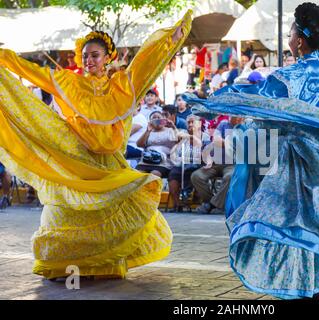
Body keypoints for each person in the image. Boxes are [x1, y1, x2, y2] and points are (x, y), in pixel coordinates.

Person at [186, 2, 319, 299]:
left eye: (291, 33)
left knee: (294, 223)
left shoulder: (292, 76)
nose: (290, 38)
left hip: (300, 162)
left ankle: (307, 286)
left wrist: (210, 102)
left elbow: (255, 97)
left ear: (300, 39)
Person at [0, 11, 192, 279]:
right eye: (85, 56)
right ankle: (62, 266)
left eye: (94, 55)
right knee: (64, 213)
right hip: (77, 158)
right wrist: (4, 57)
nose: (88, 60)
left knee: (108, 214)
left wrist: (169, 41)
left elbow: (146, 66)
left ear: (107, 58)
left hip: (108, 162)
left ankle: (103, 266)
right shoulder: (69, 82)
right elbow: (32, 72)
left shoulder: (120, 86)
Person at [191, 117, 244, 215]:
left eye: (239, 115)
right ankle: (212, 202)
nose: (237, 117)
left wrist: (225, 143)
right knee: (196, 176)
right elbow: (216, 140)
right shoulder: (223, 124)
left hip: (232, 164)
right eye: (234, 115)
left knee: (230, 177)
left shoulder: (244, 127)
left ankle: (211, 205)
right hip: (215, 162)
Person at [168, 114, 210, 212]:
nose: (190, 124)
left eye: (193, 122)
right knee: (173, 175)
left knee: (194, 172)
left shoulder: (205, 136)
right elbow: (175, 138)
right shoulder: (183, 134)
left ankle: (193, 198)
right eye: (188, 122)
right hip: (182, 163)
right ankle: (177, 205)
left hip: (198, 163)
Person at [136, 111, 178, 178]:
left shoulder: (170, 130)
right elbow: (139, 144)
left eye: (159, 117)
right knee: (138, 175)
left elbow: (179, 141)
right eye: (154, 118)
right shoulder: (149, 131)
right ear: (151, 122)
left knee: (154, 174)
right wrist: (148, 131)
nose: (157, 119)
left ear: (164, 119)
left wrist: (173, 127)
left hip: (164, 162)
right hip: (147, 160)